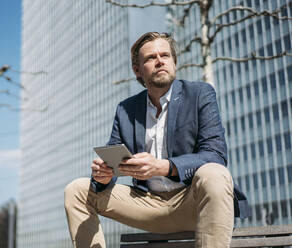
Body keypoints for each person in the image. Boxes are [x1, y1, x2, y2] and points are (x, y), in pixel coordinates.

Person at [64, 32, 250, 248]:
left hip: (192, 202)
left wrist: (162, 166)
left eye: (165, 55)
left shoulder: (200, 94)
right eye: (151, 58)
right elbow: (112, 160)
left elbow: (215, 156)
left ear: (174, 62)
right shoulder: (126, 109)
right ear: (137, 70)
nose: (160, 61)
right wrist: (103, 176)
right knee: (76, 189)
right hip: (146, 204)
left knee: (215, 172)